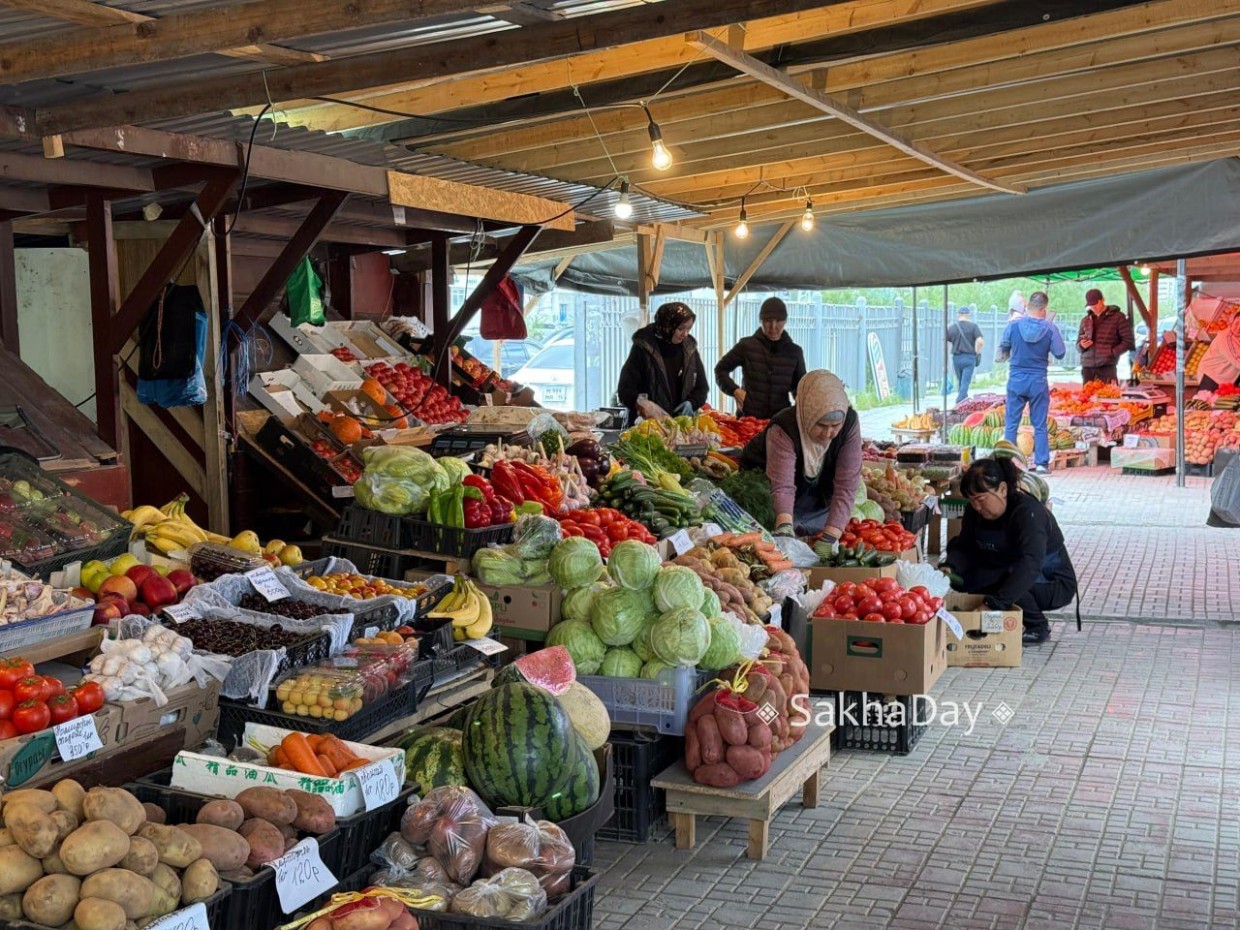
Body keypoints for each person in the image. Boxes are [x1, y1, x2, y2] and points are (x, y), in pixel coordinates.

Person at [940, 457, 1078, 646]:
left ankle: (1037, 626)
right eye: (972, 501)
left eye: (981, 499)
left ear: (1002, 489)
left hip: (1050, 581)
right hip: (1006, 568)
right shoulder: (975, 511)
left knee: (1004, 583)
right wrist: (950, 566)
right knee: (967, 578)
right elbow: (965, 545)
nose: (977, 507)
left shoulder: (1028, 513)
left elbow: (1031, 564)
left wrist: (992, 604)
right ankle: (994, 622)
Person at [738, 369, 862, 540]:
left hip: (812, 495)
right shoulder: (784, 428)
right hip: (766, 493)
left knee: (819, 526)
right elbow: (782, 486)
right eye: (821, 425)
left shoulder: (849, 424)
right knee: (775, 528)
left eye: (835, 425)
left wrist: (831, 536)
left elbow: (846, 485)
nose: (828, 433)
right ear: (808, 415)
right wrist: (784, 528)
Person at [998, 291, 1065, 475]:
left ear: (1028, 307)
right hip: (1038, 381)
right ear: (1044, 309)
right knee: (1040, 424)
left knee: (1011, 424)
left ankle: (1006, 463)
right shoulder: (1050, 328)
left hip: (1016, 379)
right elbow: (1060, 353)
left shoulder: (1013, 325)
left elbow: (1003, 345)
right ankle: (1042, 464)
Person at [714, 297, 807, 419]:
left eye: (778, 321)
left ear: (785, 321)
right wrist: (735, 390)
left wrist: (801, 397)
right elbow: (720, 370)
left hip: (780, 420)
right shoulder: (746, 346)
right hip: (748, 419)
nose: (773, 326)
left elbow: (800, 386)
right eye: (768, 321)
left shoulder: (795, 352)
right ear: (760, 320)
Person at [616, 301, 708, 422]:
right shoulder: (643, 348)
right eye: (680, 329)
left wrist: (692, 403)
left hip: (679, 426)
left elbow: (702, 387)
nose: (685, 334)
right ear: (667, 327)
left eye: (689, 329)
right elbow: (625, 390)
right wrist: (641, 403)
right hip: (648, 426)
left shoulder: (689, 349)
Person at [1077, 288, 1134, 384]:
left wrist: (1112, 352)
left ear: (1102, 300)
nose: (1093, 308)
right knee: (1087, 397)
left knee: (1108, 396)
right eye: (1091, 305)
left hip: (1107, 366)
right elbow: (1077, 344)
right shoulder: (1085, 320)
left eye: (1095, 304)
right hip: (1087, 367)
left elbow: (1128, 341)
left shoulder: (1118, 317)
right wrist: (1081, 346)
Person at [945, 306, 984, 406]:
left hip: (956, 358)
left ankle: (964, 403)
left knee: (961, 381)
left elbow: (946, 340)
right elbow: (980, 341)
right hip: (969, 358)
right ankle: (959, 401)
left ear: (958, 314)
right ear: (968, 315)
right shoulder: (973, 327)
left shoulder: (952, 327)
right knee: (965, 382)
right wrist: (978, 352)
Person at [1197, 314, 1240, 391]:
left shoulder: (1237, 336)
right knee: (1207, 401)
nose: (1238, 328)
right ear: (1231, 322)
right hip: (1213, 376)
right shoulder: (1226, 338)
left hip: (1228, 378)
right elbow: (1237, 360)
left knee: (1226, 401)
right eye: (1237, 323)